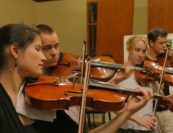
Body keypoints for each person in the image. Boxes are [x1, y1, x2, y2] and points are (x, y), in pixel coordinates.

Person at [0, 23, 153, 133]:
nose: (44, 56)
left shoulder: (39, 99)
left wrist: (128, 112)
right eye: (39, 49)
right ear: (15, 51)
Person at [109, 35, 157, 133]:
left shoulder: (147, 74)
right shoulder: (119, 74)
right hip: (127, 129)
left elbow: (151, 102)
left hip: (147, 129)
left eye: (144, 51)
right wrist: (138, 119)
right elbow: (113, 106)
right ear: (129, 49)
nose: (141, 54)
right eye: (137, 50)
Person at [146, 27, 173, 133]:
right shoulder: (143, 61)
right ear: (151, 43)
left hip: (167, 110)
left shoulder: (166, 57)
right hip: (151, 111)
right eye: (161, 43)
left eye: (165, 43)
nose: (164, 46)